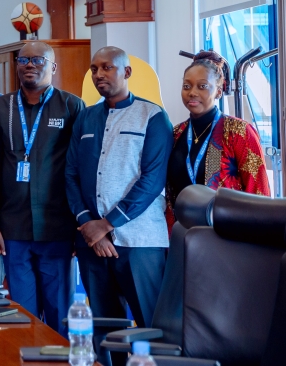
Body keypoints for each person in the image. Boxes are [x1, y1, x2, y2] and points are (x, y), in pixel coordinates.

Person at [65, 47, 172, 342]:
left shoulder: (152, 116)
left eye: (107, 68)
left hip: (140, 243)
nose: (99, 74)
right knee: (104, 329)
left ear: (126, 72)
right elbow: (71, 174)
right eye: (94, 69)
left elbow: (152, 181)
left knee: (149, 326)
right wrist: (91, 226)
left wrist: (107, 224)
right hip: (91, 241)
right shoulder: (85, 118)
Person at [0, 41, 84, 335]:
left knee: (58, 313)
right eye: (23, 60)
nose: (29, 65)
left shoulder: (72, 106)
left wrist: (80, 225)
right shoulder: (0, 107)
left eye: (38, 60)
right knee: (20, 315)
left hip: (58, 227)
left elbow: (80, 170)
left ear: (52, 66)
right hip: (13, 228)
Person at [166, 52, 271, 207]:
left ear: (219, 91)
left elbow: (259, 193)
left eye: (202, 86)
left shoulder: (239, 132)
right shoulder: (176, 133)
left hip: (228, 228)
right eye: (186, 86)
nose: (192, 92)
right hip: (182, 228)